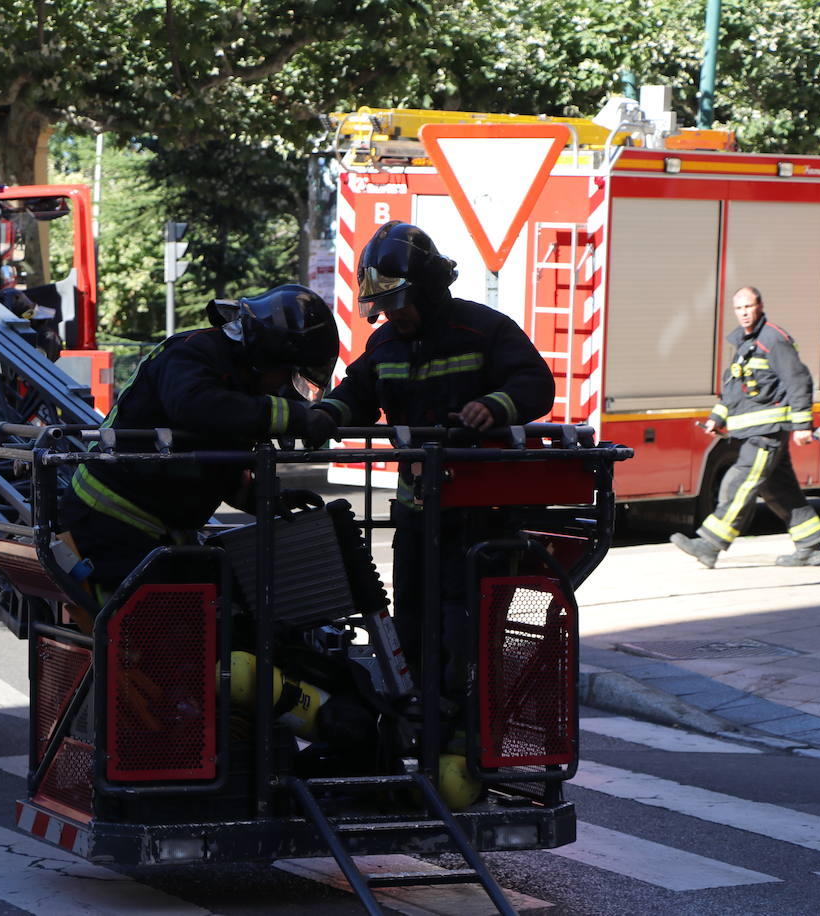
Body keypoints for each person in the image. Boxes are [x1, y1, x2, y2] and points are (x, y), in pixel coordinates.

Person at [309, 221, 555, 698]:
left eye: (398, 302)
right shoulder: (384, 345)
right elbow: (357, 393)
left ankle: (464, 724)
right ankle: (422, 718)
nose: (390, 314)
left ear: (428, 289)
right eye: (384, 305)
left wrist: (495, 406)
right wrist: (324, 415)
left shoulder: (483, 330)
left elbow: (535, 383)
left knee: (465, 632)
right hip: (418, 517)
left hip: (480, 519)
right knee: (413, 625)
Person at [56, 283, 339, 597]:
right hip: (109, 527)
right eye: (290, 374)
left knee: (232, 604)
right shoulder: (191, 354)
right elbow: (196, 407)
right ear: (269, 354)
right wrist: (296, 417)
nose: (285, 388)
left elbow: (213, 461)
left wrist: (264, 499)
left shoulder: (238, 380)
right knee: (166, 623)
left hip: (150, 531)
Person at [671, 286, 820, 568]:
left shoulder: (773, 340)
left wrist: (803, 425)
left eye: (749, 307)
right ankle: (810, 546)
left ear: (760, 306)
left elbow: (799, 380)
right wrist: (717, 417)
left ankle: (709, 545)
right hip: (755, 431)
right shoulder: (746, 343)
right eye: (739, 308)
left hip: (767, 433)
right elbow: (735, 389)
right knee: (779, 489)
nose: (744, 313)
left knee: (738, 482)